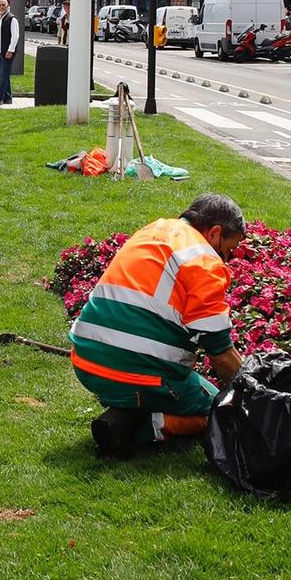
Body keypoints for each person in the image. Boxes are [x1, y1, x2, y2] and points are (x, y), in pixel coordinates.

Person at [70, 193, 247, 460]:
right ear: (214, 233)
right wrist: (252, 394)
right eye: (229, 250)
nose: (227, 258)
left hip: (86, 362)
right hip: (140, 374)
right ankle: (140, 427)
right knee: (220, 408)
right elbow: (221, 354)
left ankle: (127, 409)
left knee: (182, 386)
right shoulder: (203, 260)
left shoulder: (152, 230)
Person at [0, 0, 18, 105]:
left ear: (7, 6)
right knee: (5, 75)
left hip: (7, 52)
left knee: (3, 76)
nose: (1, 7)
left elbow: (15, 36)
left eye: (3, 5)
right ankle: (7, 98)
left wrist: (10, 50)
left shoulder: (12, 19)